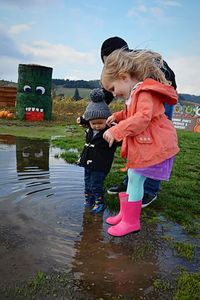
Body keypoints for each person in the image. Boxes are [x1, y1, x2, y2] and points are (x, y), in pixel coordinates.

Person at [101, 48, 180, 236]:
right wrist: (118, 116)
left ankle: (131, 221)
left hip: (155, 143)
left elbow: (143, 118)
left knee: (135, 178)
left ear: (124, 76)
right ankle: (125, 214)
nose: (113, 93)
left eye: (112, 88)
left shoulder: (144, 92)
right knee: (133, 177)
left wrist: (117, 130)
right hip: (147, 143)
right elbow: (132, 114)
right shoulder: (135, 93)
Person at [77, 88, 117, 214]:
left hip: (100, 165)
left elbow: (120, 138)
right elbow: (87, 120)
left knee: (96, 184)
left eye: (100, 123)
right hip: (88, 163)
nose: (97, 126)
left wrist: (116, 131)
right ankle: (89, 200)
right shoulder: (91, 127)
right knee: (87, 182)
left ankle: (99, 203)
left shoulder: (110, 132)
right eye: (93, 124)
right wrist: (81, 119)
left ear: (107, 120)